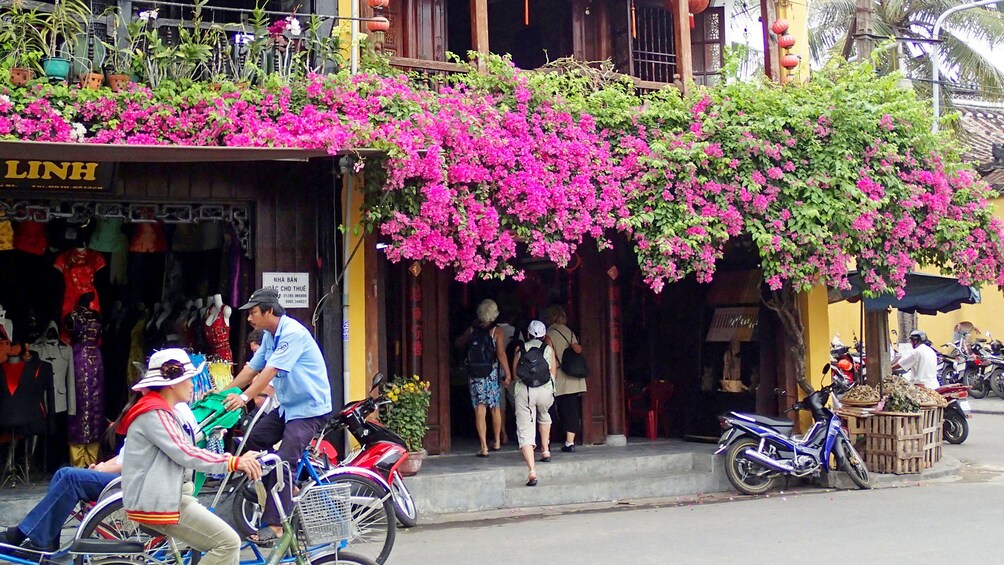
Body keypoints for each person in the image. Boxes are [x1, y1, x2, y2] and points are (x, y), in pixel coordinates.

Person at [118, 348, 261, 565]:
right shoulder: (155, 412)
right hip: (166, 502)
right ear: (173, 383)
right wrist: (233, 462)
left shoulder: (166, 410)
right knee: (228, 543)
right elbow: (185, 452)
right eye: (189, 379)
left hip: (172, 497)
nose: (193, 384)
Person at [223, 288, 332, 543]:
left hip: (309, 410)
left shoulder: (291, 334)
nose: (250, 319)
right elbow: (251, 369)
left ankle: (275, 525)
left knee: (284, 461)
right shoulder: (270, 336)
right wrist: (220, 394)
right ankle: (288, 489)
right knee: (254, 439)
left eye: (253, 313)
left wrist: (244, 398)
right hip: (288, 408)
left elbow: (269, 372)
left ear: (269, 311)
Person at [456, 299, 511, 457]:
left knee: (480, 408)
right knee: (495, 408)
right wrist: (507, 374)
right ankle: (497, 441)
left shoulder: (472, 329)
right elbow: (500, 354)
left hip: (475, 375)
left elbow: (459, 343)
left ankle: (483, 446)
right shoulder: (497, 331)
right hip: (492, 373)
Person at [511, 320, 556, 487]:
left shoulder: (520, 349)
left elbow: (516, 373)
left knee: (525, 429)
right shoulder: (548, 350)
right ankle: (545, 450)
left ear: (528, 334)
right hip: (544, 390)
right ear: (544, 336)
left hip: (525, 391)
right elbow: (553, 374)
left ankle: (532, 470)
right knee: (544, 415)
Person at [545, 305, 585, 452]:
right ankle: (570, 442)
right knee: (572, 409)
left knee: (552, 409)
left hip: (560, 376)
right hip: (574, 376)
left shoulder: (549, 333)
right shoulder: (570, 332)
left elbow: (548, 354)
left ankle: (547, 440)